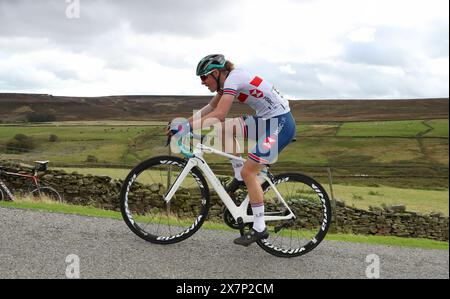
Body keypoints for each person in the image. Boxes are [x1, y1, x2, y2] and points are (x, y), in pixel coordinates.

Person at [168, 54, 296, 246]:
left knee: (249, 172)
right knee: (223, 129)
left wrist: (186, 129)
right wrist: (183, 124)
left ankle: (260, 228)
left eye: (204, 77)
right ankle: (238, 176)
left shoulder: (233, 79)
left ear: (217, 73)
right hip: (266, 121)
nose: (202, 82)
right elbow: (210, 107)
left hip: (281, 123)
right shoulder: (227, 80)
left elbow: (218, 114)